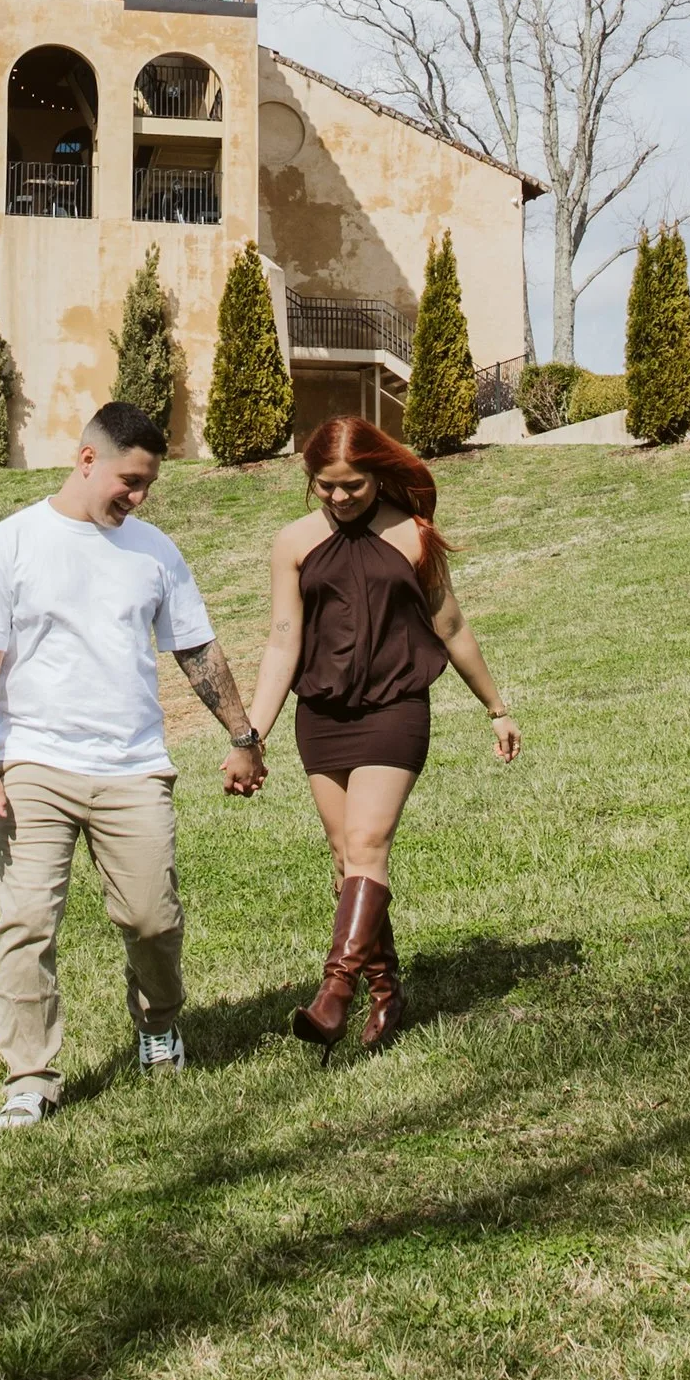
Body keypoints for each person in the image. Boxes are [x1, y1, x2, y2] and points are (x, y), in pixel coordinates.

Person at [0, 400, 264, 1132]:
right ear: (87, 459)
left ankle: (158, 1023)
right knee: (26, 922)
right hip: (35, 764)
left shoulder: (154, 552)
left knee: (152, 919)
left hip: (134, 766)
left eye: (149, 483)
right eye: (131, 480)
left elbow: (194, 647)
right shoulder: (12, 543)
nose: (140, 496)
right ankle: (30, 1077)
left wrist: (243, 733)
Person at [245, 417, 519, 1055]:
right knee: (348, 860)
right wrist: (252, 733)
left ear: (376, 474)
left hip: (395, 708)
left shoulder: (413, 536)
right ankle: (387, 991)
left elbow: (451, 626)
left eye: (354, 485)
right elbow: (283, 642)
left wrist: (496, 708)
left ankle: (334, 992)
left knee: (368, 843)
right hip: (322, 716)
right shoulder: (294, 542)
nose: (340, 497)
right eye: (326, 486)